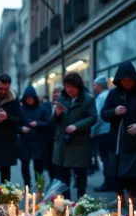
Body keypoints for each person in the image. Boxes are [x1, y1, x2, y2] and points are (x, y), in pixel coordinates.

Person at [101, 61, 136, 210]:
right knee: (117, 171)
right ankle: (120, 198)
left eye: (129, 80)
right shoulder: (114, 93)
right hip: (118, 140)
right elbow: (104, 114)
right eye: (123, 80)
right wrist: (114, 112)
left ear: (134, 79)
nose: (126, 83)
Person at [52, 72, 97, 200]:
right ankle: (66, 203)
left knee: (80, 174)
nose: (69, 90)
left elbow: (93, 118)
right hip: (62, 144)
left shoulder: (88, 99)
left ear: (78, 86)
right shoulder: (61, 98)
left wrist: (76, 126)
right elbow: (53, 121)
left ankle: (81, 201)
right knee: (63, 176)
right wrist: (57, 113)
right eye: (67, 86)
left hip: (79, 142)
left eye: (72, 87)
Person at [18, 86, 49, 188]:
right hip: (25, 141)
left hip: (38, 141)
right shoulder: (21, 109)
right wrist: (21, 128)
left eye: (31, 98)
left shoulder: (41, 108)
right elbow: (15, 124)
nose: (30, 100)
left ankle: (39, 185)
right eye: (28, 99)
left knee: (38, 166)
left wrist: (38, 124)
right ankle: (27, 184)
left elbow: (47, 123)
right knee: (25, 165)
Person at [91, 76, 111, 192]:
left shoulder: (101, 98)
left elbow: (97, 116)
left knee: (105, 158)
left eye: (94, 85)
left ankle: (107, 182)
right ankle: (111, 181)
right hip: (109, 130)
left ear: (100, 85)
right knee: (108, 157)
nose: (93, 87)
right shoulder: (109, 95)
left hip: (102, 132)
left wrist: (92, 131)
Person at [44, 84, 63, 182]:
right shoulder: (46, 105)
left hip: (61, 140)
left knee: (60, 167)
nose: (56, 94)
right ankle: (52, 184)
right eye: (54, 92)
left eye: (59, 92)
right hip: (49, 140)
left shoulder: (65, 106)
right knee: (50, 165)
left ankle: (60, 185)